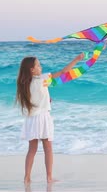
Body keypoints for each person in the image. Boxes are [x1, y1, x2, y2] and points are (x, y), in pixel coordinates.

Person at [15, 54, 84, 184]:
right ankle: (49, 178)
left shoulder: (24, 84)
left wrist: (47, 99)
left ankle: (27, 177)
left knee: (32, 149)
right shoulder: (42, 79)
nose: (41, 67)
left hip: (31, 119)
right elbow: (63, 72)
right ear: (32, 69)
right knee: (48, 148)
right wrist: (76, 59)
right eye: (38, 65)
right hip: (43, 117)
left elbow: (36, 98)